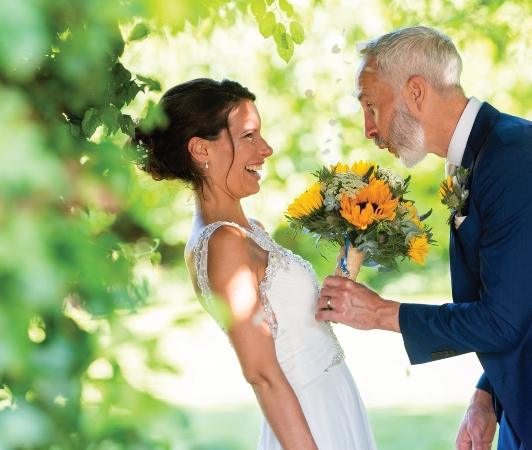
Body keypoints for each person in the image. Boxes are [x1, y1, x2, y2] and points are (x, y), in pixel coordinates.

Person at [316, 26, 532, 449]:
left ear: (416, 92)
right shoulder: (483, 157)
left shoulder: (514, 157)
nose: (368, 128)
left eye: (371, 106)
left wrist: (379, 313)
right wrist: (487, 395)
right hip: (528, 403)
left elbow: (502, 321)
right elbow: (521, 301)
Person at [131, 78, 376, 450]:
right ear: (200, 149)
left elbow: (293, 327)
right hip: (307, 418)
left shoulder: (250, 231)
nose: (266, 148)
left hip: (332, 398)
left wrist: (352, 255)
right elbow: (261, 373)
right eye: (248, 136)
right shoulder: (224, 242)